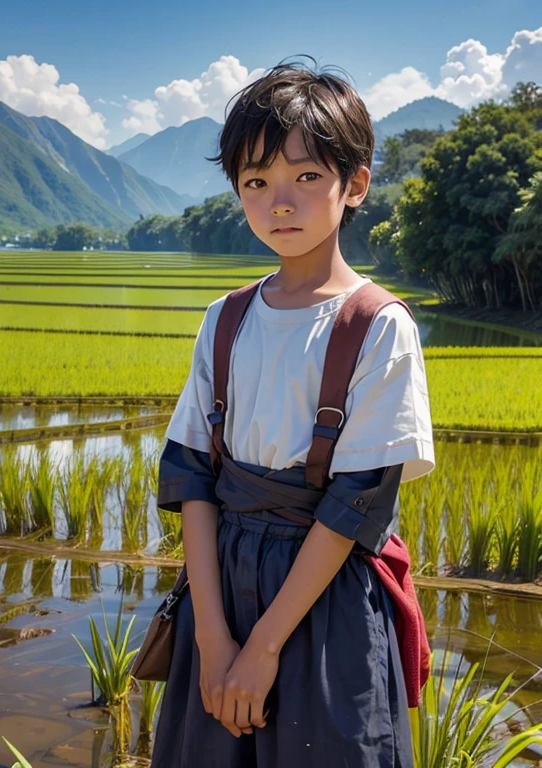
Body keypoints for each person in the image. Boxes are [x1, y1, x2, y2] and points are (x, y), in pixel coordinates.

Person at [151, 55, 435, 768]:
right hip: (219, 590)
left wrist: (264, 648)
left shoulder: (376, 324)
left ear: (355, 185)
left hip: (324, 603)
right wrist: (215, 643)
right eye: (257, 181)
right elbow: (192, 480)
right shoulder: (224, 319)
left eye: (306, 176)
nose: (281, 201)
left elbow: (354, 506)